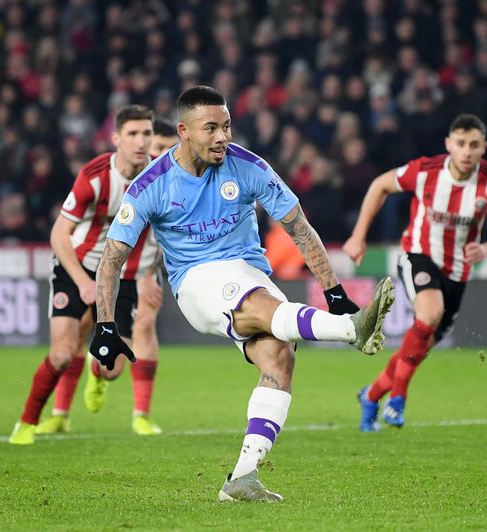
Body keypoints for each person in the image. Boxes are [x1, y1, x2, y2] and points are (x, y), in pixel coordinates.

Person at [89, 86, 395, 503]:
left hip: (249, 270)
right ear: (183, 131)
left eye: (227, 126)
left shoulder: (249, 167)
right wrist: (105, 324)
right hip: (196, 281)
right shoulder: (151, 185)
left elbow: (299, 228)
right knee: (261, 305)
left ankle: (243, 478)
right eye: (210, 127)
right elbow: (112, 257)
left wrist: (335, 290)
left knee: (279, 359)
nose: (222, 136)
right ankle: (350, 330)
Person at [342, 114, 487, 432]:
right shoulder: (425, 171)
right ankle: (398, 400)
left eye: (473, 145)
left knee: (418, 348)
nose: (466, 151)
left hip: (458, 272)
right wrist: (358, 235)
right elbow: (380, 185)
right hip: (418, 255)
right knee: (431, 311)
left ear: (483, 148)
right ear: (449, 144)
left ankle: (371, 395)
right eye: (460, 144)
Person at [8, 105, 160, 445]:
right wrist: (82, 282)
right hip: (76, 266)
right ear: (116, 138)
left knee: (114, 368)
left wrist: (150, 272)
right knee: (62, 352)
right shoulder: (95, 175)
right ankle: (27, 423)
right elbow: (59, 235)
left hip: (123, 276)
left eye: (146, 134)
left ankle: (96, 366)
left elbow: (165, 233)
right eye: (133, 134)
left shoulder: (160, 177)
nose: (140, 141)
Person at [34, 116, 180, 438]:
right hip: (112, 264)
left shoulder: (174, 178)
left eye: (170, 149)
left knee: (145, 323)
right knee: (82, 328)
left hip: (144, 267)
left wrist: (149, 274)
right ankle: (62, 411)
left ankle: (141, 413)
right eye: (157, 147)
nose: (160, 154)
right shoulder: (126, 175)